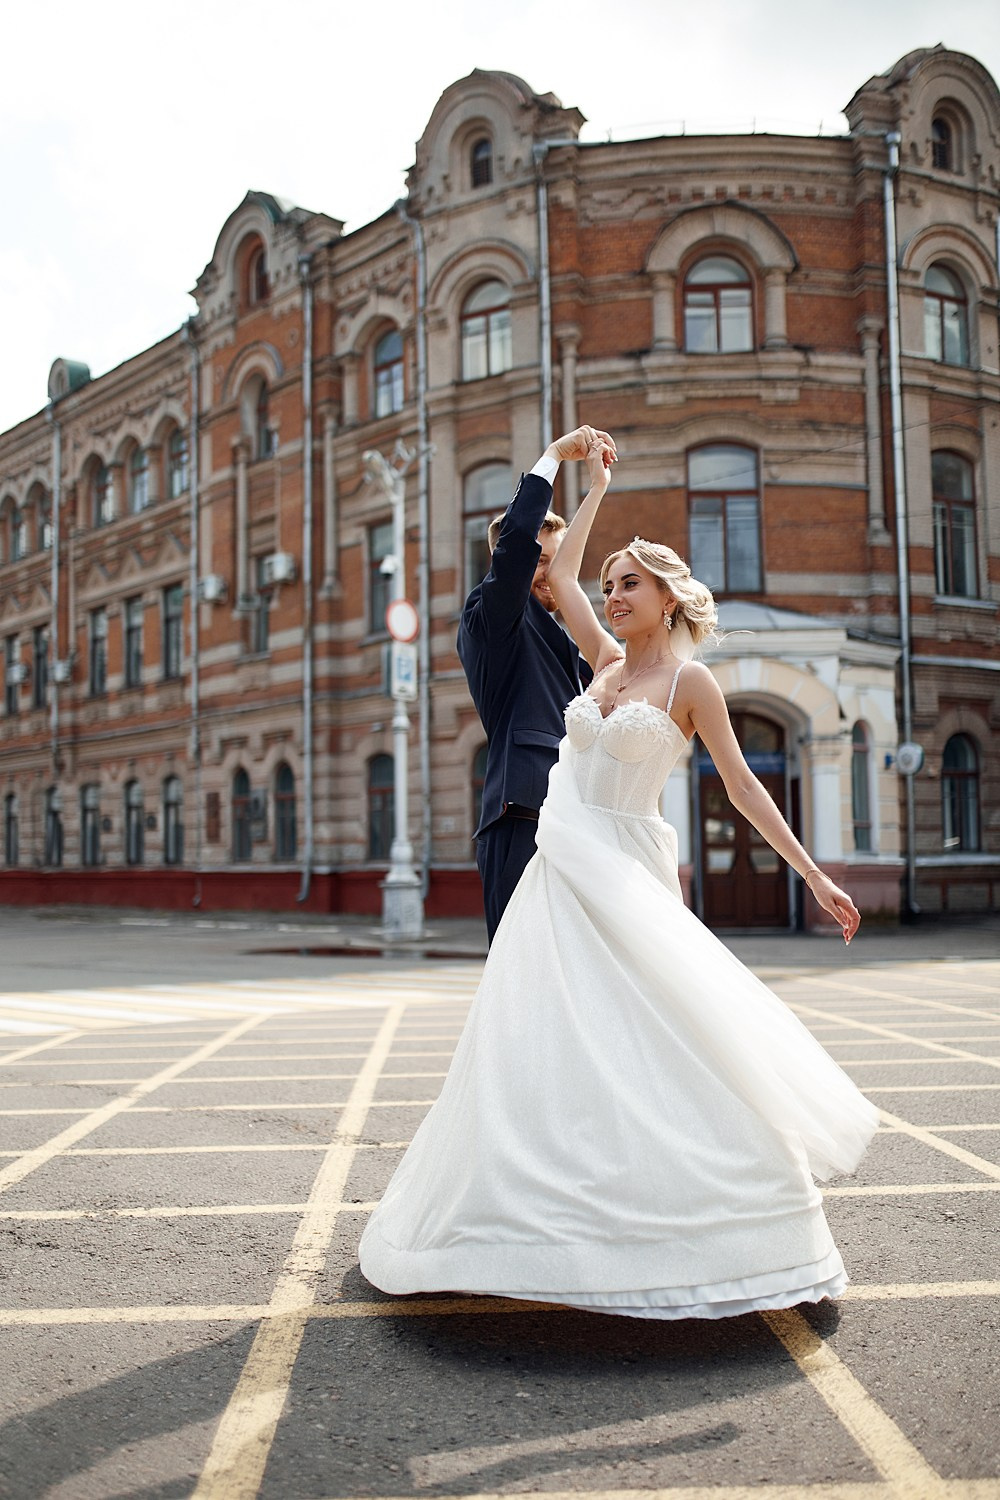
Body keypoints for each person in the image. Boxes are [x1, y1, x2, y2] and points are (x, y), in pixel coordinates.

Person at [360, 436, 877, 1320]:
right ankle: (533, 1215)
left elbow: (745, 787)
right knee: (547, 1040)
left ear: (669, 597)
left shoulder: (692, 683)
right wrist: (586, 480)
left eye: (629, 583)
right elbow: (559, 577)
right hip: (560, 864)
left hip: (627, 870)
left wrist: (813, 873)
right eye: (609, 585)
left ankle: (715, 1225)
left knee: (657, 1042)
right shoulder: (599, 664)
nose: (609, 592)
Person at [458, 425, 617, 943]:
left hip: (576, 823)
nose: (550, 575)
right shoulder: (494, 616)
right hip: (522, 818)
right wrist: (551, 457)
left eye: (558, 562)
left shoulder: (571, 646)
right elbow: (516, 555)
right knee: (519, 979)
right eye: (541, 562)